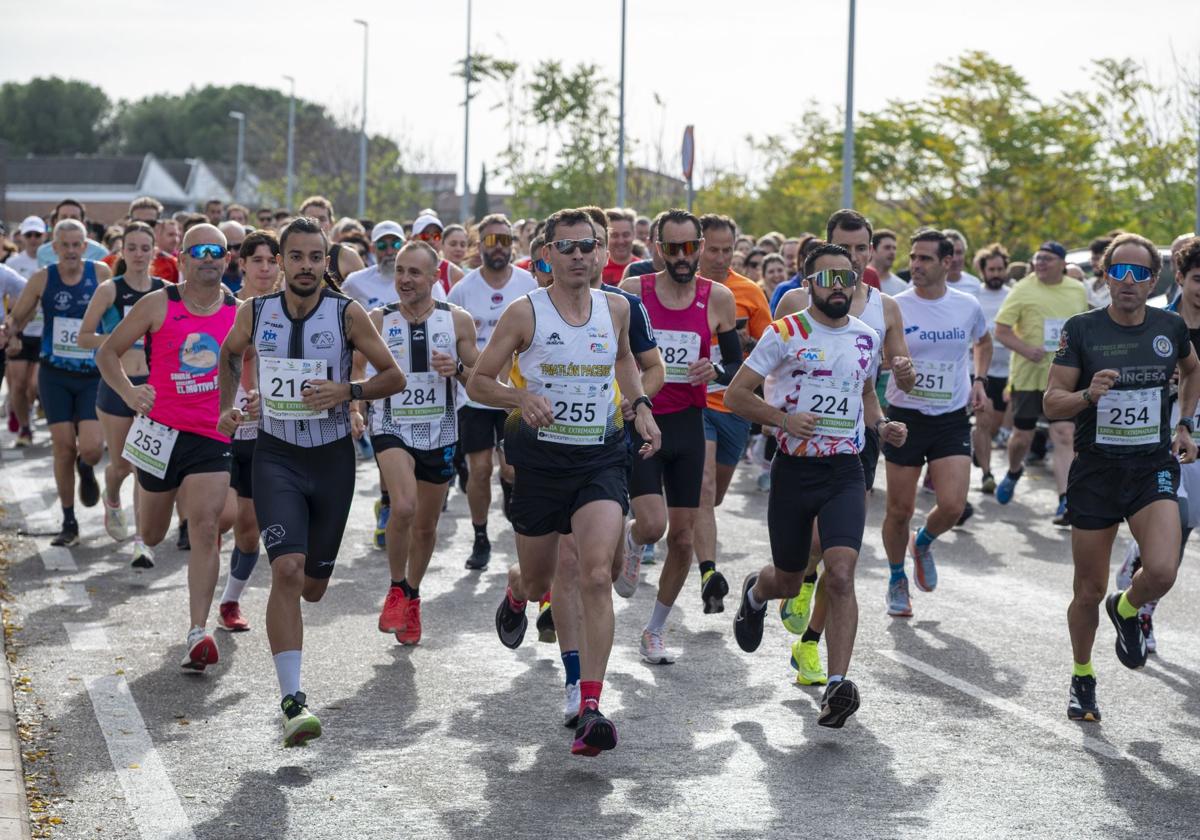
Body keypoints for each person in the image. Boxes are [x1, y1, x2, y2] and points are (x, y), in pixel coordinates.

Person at [476, 207, 661, 756]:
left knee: (594, 571)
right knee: (540, 584)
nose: (580, 256)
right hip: (538, 461)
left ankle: (591, 703)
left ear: (603, 252)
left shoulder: (619, 308)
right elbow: (481, 380)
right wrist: (519, 397)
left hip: (600, 458)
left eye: (589, 246)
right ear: (547, 255)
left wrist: (640, 406)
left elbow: (627, 363)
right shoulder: (523, 312)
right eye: (568, 247)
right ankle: (515, 590)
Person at [217, 216, 405, 747]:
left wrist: (347, 392)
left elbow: (392, 375)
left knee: (315, 588)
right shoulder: (255, 311)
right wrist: (231, 407)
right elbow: (231, 353)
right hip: (274, 453)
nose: (305, 266)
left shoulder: (347, 313)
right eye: (295, 257)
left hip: (330, 460)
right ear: (279, 262)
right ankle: (293, 701)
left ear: (327, 262)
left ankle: (297, 651)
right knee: (288, 571)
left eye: (315, 258)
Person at [727, 243, 907, 728]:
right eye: (827, 279)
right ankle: (755, 594)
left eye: (846, 278)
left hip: (845, 469)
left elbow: (866, 393)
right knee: (787, 578)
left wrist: (882, 425)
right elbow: (736, 395)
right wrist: (783, 419)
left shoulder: (868, 336)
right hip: (793, 468)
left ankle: (836, 685)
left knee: (842, 572)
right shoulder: (785, 333)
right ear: (807, 284)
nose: (838, 288)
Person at [1044, 233, 1199, 722]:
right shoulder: (1082, 329)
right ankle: (1083, 675)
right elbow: (1052, 403)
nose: (1128, 282)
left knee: (1162, 570)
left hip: (1150, 464)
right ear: (1105, 276)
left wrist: (1184, 424)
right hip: (1096, 470)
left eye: (1139, 273)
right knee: (1086, 590)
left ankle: (1128, 608)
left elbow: (1193, 371)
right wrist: (1088, 394)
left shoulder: (1169, 326)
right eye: (1119, 271)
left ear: (1155, 278)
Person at [95, 223, 238, 670]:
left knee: (206, 525)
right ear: (182, 259)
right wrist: (130, 394)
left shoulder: (241, 311)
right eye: (199, 251)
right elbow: (107, 353)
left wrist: (241, 406)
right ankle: (125, 504)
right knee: (153, 533)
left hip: (211, 435)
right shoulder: (158, 303)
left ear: (227, 259)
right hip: (159, 434)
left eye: (217, 250)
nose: (209, 257)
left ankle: (198, 630)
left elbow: (249, 364)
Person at [618, 208, 739, 663]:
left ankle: (654, 630)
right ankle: (633, 541)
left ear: (702, 247)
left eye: (692, 247)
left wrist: (716, 370)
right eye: (674, 248)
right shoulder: (633, 293)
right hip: (642, 421)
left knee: (684, 540)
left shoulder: (718, 298)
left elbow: (734, 364)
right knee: (652, 524)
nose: (684, 256)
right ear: (658, 249)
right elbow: (612, 352)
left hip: (689, 422)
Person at [365, 240, 478, 646]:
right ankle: (396, 587)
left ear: (434, 277)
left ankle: (412, 595)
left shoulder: (458, 320)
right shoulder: (378, 319)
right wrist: (356, 406)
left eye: (415, 272)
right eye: (400, 271)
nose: (406, 279)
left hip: (440, 430)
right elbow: (359, 371)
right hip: (391, 425)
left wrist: (458, 368)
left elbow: (477, 379)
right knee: (405, 506)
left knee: (427, 526)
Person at [880, 229, 992, 617]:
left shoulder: (966, 305)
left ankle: (923, 542)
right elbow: (875, 354)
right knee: (899, 509)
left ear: (948, 262)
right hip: (905, 417)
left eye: (925, 258)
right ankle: (897, 577)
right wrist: (892, 363)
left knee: (952, 505)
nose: (915, 265)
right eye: (913, 257)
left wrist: (979, 380)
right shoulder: (894, 305)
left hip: (950, 417)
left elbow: (984, 341)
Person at [1114, 236, 1200, 655]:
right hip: (1166, 442)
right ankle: (1142, 605)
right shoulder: (1161, 324)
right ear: (1180, 278)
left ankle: (1139, 561)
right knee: (1178, 529)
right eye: (1198, 279)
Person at [2, 219, 111, 545]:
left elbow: (121, 312)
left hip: (92, 374)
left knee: (91, 449)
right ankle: (69, 522)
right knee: (62, 447)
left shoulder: (101, 275)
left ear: (86, 245)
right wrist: (12, 333)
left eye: (78, 244)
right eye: (66, 245)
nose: (72, 251)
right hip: (55, 375)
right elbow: (18, 316)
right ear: (55, 247)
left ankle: (86, 466)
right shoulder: (42, 278)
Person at [447, 214, 536, 569]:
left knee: (512, 468)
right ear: (477, 244)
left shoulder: (528, 283)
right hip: (476, 393)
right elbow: (449, 336)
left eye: (503, 240)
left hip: (516, 393)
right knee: (479, 468)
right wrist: (459, 374)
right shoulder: (464, 290)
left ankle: (511, 492)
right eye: (489, 240)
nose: (497, 247)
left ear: (513, 243)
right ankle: (480, 536)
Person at [693, 213, 770, 613]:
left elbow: (771, 348)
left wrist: (746, 343)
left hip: (735, 406)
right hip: (694, 403)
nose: (720, 258)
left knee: (713, 496)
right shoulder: (684, 290)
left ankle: (676, 534)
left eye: (728, 250)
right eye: (713, 249)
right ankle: (709, 576)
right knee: (703, 490)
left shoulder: (750, 293)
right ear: (698, 246)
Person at [77, 222, 165, 563]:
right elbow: (84, 337)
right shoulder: (109, 291)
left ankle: (142, 543)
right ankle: (111, 497)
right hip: (116, 386)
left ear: (155, 252)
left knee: (146, 465)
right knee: (123, 465)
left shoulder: (165, 290)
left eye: (146, 248)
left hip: (154, 389)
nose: (139, 254)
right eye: (133, 248)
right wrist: (119, 339)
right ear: (122, 251)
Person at [215, 230, 282, 633]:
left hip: (261, 433)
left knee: (248, 527)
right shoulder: (224, 307)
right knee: (221, 516)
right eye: (257, 260)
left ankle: (229, 600)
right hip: (218, 430)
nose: (265, 268)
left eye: (272, 261)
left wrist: (263, 398)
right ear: (242, 265)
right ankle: (205, 570)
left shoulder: (288, 311)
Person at [993, 241, 1089, 525]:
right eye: (1037, 258)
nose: (1041, 263)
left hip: (1065, 376)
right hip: (1028, 374)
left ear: (1062, 263)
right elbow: (1001, 330)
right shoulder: (1023, 289)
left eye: (1047, 259)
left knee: (1063, 435)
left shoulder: (1076, 290)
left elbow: (1083, 330)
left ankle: (1065, 501)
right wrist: (1025, 349)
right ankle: (1013, 471)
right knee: (1022, 437)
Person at [971, 243, 1014, 494]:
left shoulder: (1013, 294)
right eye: (992, 269)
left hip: (1007, 369)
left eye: (1000, 269)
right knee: (983, 421)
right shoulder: (974, 295)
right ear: (983, 271)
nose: (996, 273)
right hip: (980, 369)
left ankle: (980, 450)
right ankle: (987, 474)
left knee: (994, 426)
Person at [4, 216, 45, 446]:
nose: (33, 239)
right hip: (21, 331)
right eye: (28, 235)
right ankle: (25, 428)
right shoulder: (13, 263)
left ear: (44, 236)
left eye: (37, 235)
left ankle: (28, 409)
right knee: (18, 385)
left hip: (44, 333)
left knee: (33, 385)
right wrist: (12, 327)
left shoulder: (49, 262)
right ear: (21, 236)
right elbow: (7, 298)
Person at [300, 196, 366, 284]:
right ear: (299, 224)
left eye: (322, 219)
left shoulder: (347, 256)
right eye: (310, 219)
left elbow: (366, 293)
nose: (316, 223)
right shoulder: (291, 256)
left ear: (331, 223)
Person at [36, 200, 108, 267]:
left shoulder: (100, 253)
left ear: (83, 223)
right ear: (55, 221)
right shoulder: (43, 252)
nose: (69, 221)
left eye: (74, 217)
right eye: (64, 217)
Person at [411, 213, 465, 295]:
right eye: (425, 236)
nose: (431, 241)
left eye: (436, 236)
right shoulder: (403, 270)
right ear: (414, 239)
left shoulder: (454, 273)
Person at [600, 208, 637, 285]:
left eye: (626, 235)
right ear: (606, 237)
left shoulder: (642, 269)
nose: (621, 241)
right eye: (614, 235)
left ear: (634, 235)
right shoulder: (597, 269)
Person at [871, 230, 907, 295]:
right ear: (872, 250)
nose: (892, 252)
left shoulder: (902, 287)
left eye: (894, 248)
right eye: (887, 248)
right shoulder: (858, 279)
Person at [1085, 237, 1113, 310]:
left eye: (1097, 259)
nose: (1092, 263)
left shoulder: (1116, 285)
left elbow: (1102, 308)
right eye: (1092, 259)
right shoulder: (1090, 282)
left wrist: (1082, 279)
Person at [218, 222, 246, 293]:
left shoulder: (256, 276)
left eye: (237, 247)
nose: (232, 253)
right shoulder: (209, 278)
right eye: (227, 247)